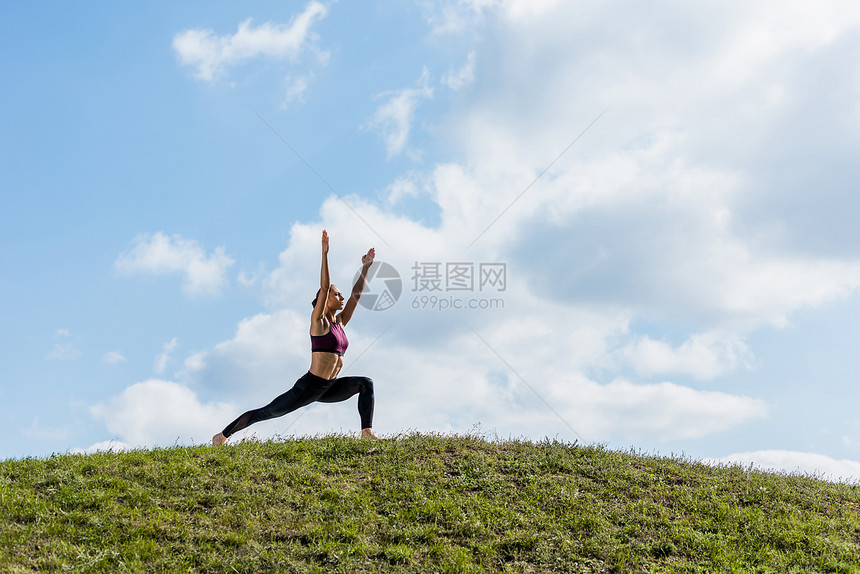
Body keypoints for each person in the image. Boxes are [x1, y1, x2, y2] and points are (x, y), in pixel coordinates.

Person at [212, 230, 378, 445]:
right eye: (336, 294)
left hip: (330, 386)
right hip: (308, 387)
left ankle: (366, 431)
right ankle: (222, 436)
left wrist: (366, 268)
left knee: (366, 383)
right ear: (324, 299)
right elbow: (325, 286)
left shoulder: (341, 322)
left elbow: (356, 295)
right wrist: (325, 253)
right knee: (267, 413)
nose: (342, 296)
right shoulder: (319, 322)